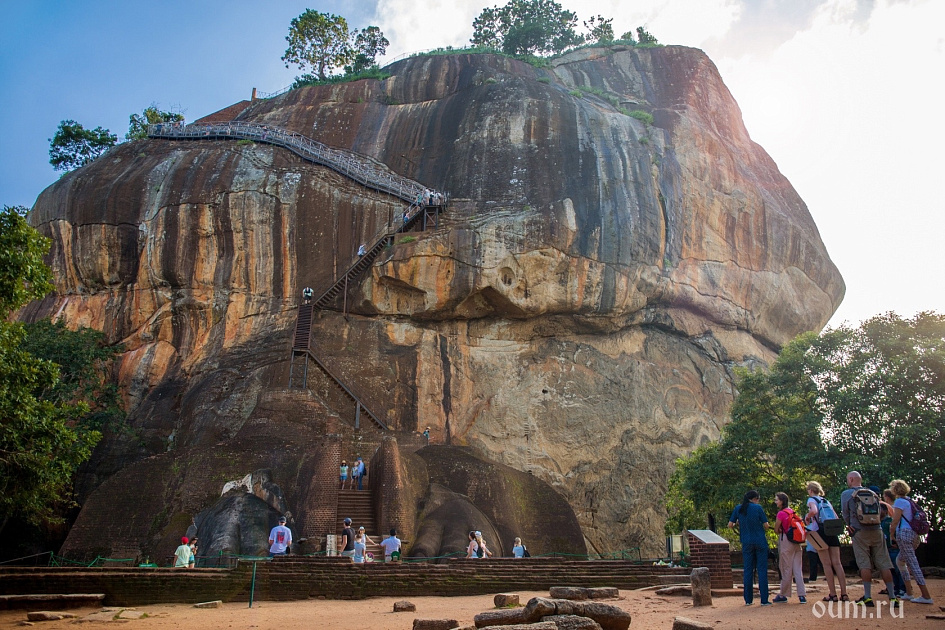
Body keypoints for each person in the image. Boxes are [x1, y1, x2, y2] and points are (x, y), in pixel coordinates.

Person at [840, 471, 898, 607]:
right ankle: (893, 597)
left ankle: (867, 596)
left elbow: (845, 512)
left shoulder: (847, 494)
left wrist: (849, 525)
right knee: (884, 563)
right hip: (877, 530)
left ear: (851, 479)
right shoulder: (872, 493)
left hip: (859, 531)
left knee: (864, 564)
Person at [889, 479, 934, 604]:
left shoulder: (899, 502)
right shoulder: (910, 501)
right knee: (900, 560)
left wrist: (891, 534)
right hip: (914, 535)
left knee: (912, 563)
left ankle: (926, 595)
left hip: (904, 534)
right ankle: (909, 592)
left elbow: (895, 521)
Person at [804, 480, 848, 602]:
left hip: (821, 532)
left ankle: (833, 594)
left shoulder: (812, 500)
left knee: (826, 564)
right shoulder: (826, 501)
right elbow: (835, 517)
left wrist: (807, 517)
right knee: (837, 563)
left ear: (811, 490)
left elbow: (814, 511)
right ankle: (844, 593)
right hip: (832, 531)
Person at [728, 490, 771, 606]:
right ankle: (764, 599)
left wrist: (739, 523)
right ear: (755, 498)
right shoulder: (758, 508)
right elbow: (766, 525)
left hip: (746, 541)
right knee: (762, 570)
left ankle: (748, 599)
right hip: (760, 541)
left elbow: (730, 525)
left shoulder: (739, 508)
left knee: (748, 570)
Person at [772, 492, 806, 603]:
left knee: (786, 568)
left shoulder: (781, 514)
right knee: (797, 569)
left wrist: (780, 530)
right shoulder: (792, 512)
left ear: (781, 501)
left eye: (777, 500)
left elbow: (776, 529)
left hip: (786, 541)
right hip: (797, 542)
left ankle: (783, 594)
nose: (775, 502)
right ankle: (802, 595)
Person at [880, 488, 908, 598]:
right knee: (891, 570)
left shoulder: (889, 521)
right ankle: (896, 588)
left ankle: (903, 588)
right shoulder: (881, 523)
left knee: (898, 569)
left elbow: (894, 530)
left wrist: (895, 541)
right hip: (887, 548)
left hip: (893, 548)